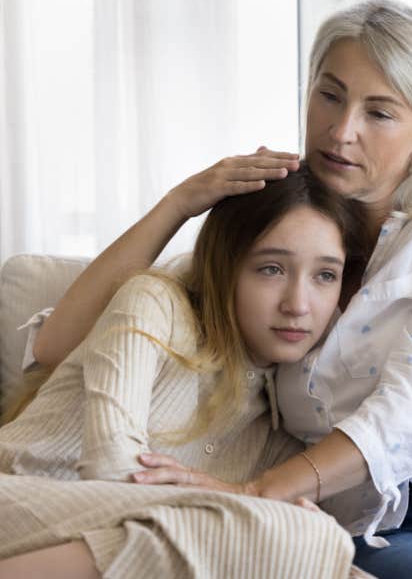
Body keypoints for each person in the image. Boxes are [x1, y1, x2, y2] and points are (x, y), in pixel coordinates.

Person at [28, 0, 412, 579]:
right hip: (389, 526)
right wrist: (180, 204)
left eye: (379, 113)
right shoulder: (279, 247)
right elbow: (59, 343)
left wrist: (258, 494)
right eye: (329, 96)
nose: (341, 130)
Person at [0, 169, 370, 579]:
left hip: (117, 551)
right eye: (271, 269)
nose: (299, 304)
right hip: (16, 501)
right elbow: (110, 464)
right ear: (226, 266)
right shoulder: (156, 303)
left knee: (310, 542)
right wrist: (251, 513)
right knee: (299, 534)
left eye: (324, 276)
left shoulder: (283, 430)